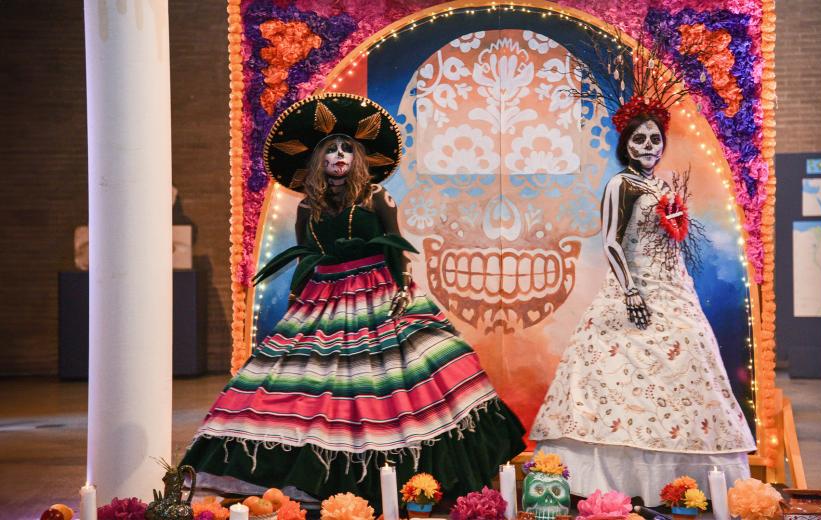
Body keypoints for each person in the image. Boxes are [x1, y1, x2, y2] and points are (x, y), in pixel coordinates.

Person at [182, 93, 525, 507]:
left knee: (402, 380)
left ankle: (413, 477)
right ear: (319, 161)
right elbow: (306, 256)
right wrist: (297, 300)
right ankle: (307, 478)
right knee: (311, 384)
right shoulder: (308, 206)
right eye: (331, 149)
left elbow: (397, 248)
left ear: (358, 157)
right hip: (324, 298)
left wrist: (402, 289)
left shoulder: (378, 196)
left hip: (378, 293)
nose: (339, 155)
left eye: (347, 148)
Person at [529, 96, 756, 503]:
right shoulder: (622, 184)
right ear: (626, 144)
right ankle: (617, 484)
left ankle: (684, 485)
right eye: (639, 139)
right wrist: (630, 291)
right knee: (616, 379)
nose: (648, 146)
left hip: (675, 290)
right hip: (634, 292)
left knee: (690, 355)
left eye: (654, 139)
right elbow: (611, 241)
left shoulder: (661, 186)